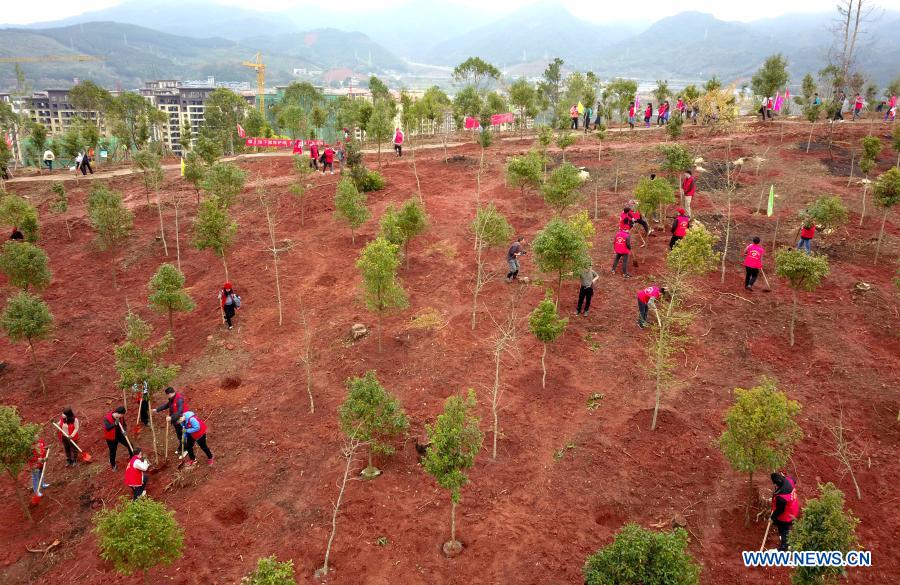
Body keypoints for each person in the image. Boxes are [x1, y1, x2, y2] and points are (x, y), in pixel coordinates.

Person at [770, 472, 800, 552]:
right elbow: (794, 480)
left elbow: (780, 510)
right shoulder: (789, 480)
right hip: (794, 508)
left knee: (783, 529)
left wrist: (772, 518)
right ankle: (786, 538)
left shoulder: (781, 497)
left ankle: (784, 547)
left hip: (786, 516)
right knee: (785, 528)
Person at [156, 386, 189, 454]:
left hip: (181, 420)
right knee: (179, 435)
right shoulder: (172, 399)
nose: (167, 396)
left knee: (183, 435)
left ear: (170, 394)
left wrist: (171, 417)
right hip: (175, 420)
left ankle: (186, 449)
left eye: (167, 395)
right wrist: (157, 409)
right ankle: (181, 446)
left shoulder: (179, 399)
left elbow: (180, 411)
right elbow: (166, 405)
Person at [103, 406, 133, 471]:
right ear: (118, 413)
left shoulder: (121, 417)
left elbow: (124, 425)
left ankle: (132, 458)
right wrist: (115, 423)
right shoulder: (107, 418)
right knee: (113, 452)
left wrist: (124, 430)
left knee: (130, 445)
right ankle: (113, 465)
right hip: (111, 438)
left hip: (120, 435)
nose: (122, 416)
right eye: (121, 415)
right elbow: (107, 428)